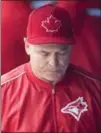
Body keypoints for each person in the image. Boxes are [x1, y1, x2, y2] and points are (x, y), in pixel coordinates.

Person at [1, 4, 101, 133]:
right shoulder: (4, 92)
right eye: (44, 53)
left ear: (71, 48)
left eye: (61, 53)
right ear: (27, 47)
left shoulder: (95, 90)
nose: (53, 63)